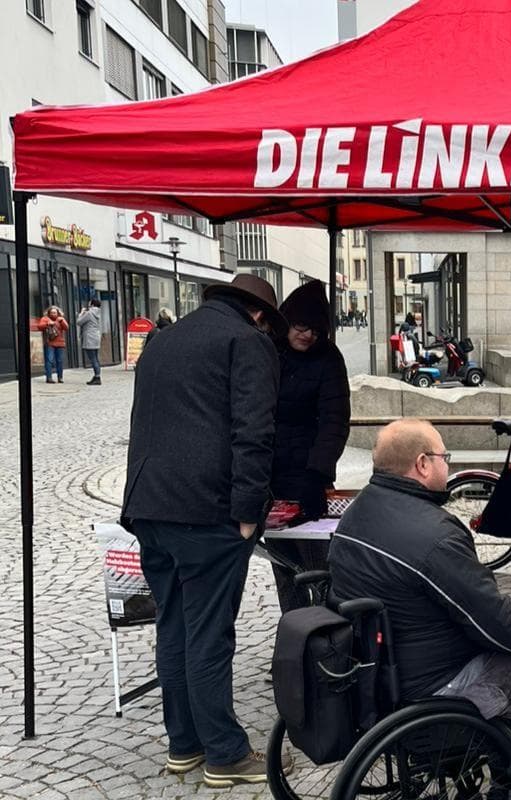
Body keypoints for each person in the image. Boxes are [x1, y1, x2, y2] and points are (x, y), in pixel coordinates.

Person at [328, 419, 511, 800]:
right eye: (443, 457)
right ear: (421, 464)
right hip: (432, 688)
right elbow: (494, 623)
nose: (447, 465)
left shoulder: (354, 514)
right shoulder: (435, 535)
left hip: (375, 675)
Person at [121, 274, 289, 788]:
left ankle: (184, 744)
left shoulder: (162, 340)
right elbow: (254, 433)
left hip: (149, 505)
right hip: (207, 510)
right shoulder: (248, 342)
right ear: (259, 314)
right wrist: (246, 513)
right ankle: (224, 753)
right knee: (209, 633)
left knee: (174, 626)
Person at [269, 280, 350, 612]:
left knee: (317, 563)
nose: (308, 335)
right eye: (302, 327)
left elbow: (335, 420)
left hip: (307, 476)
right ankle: (294, 626)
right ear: (287, 322)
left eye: (316, 330)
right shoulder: (267, 351)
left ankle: (326, 630)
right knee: (283, 564)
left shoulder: (328, 359)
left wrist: (318, 472)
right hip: (268, 475)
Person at [38, 306, 68, 383]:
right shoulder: (45, 319)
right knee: (49, 360)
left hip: (60, 343)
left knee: (60, 361)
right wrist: (47, 324)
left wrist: (62, 321)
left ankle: (60, 377)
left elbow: (66, 328)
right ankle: (49, 377)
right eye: (51, 313)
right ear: (48, 313)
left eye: (54, 313)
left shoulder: (60, 319)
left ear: (58, 313)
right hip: (49, 343)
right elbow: (40, 326)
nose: (53, 314)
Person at [77, 298, 103, 385]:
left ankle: (97, 377)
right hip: (96, 336)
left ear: (92, 304)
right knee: (95, 357)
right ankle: (97, 376)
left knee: (93, 359)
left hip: (89, 337)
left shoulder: (89, 313)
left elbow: (79, 322)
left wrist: (81, 313)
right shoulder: (98, 312)